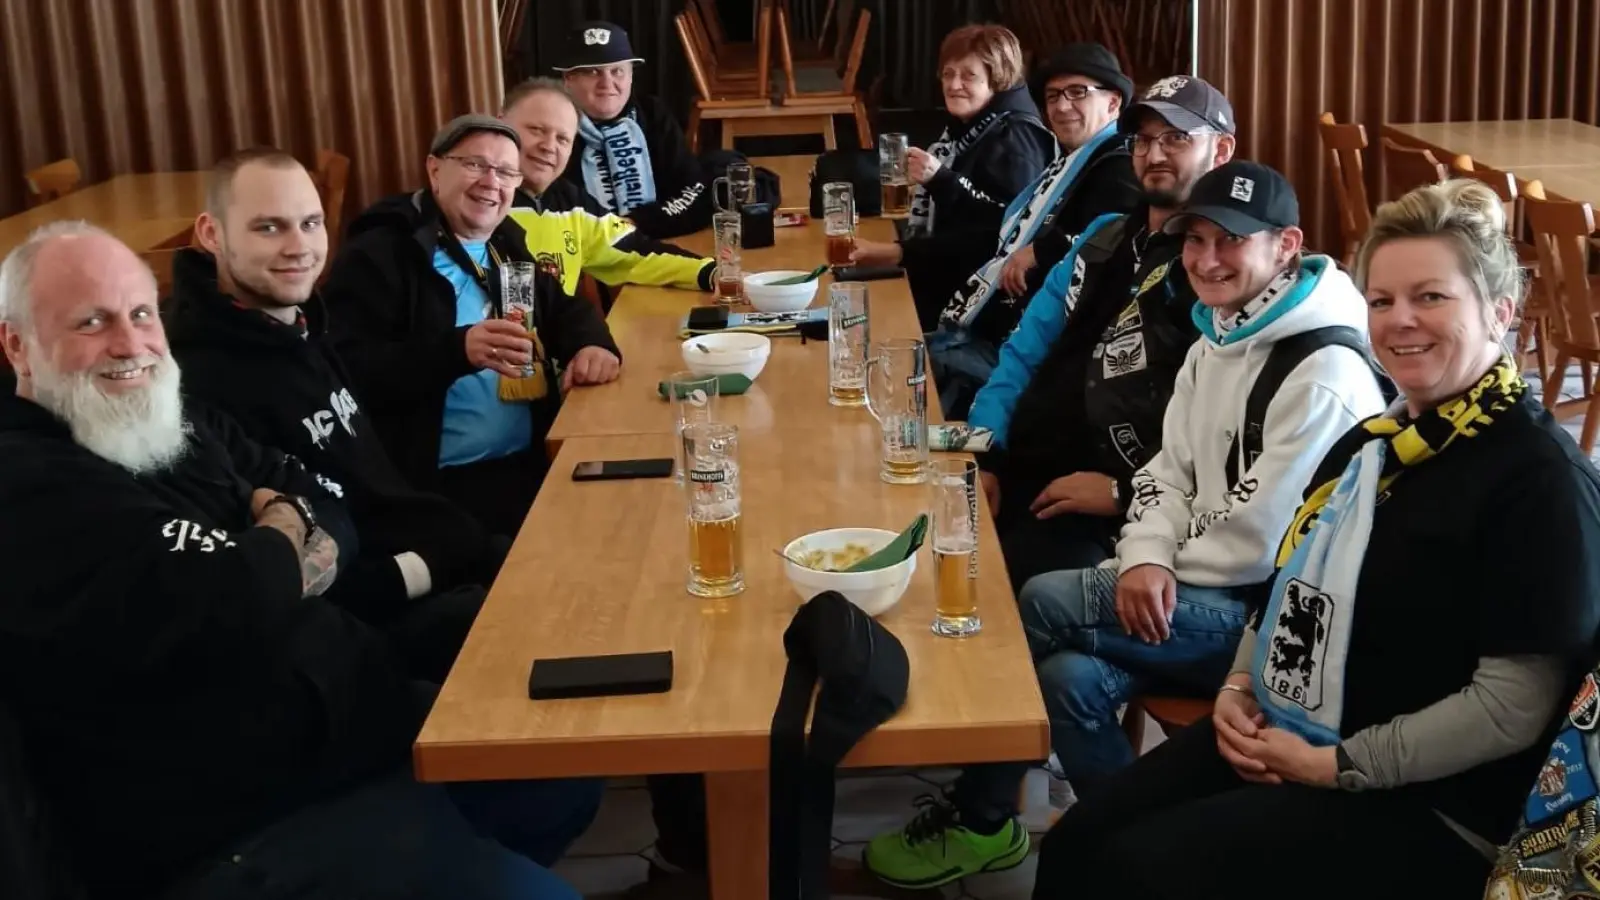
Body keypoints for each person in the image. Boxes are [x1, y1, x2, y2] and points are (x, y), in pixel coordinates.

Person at [1029, 179, 1600, 900]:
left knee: (1135, 874)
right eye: (1384, 301)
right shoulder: (1376, 443)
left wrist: (1336, 766)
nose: (1400, 322)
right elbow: (1281, 592)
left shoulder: (1540, 479)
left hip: (1427, 800)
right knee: (1078, 843)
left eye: (1431, 297)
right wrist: (1239, 686)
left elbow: (1510, 708)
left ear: (1500, 313)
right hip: (1293, 723)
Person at [0, 222, 602, 900]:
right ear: (17, 345)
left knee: (565, 765)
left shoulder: (174, 420)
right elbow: (240, 593)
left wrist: (278, 542)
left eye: (142, 313)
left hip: (354, 722)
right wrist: (281, 529)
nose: (130, 343)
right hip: (236, 821)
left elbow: (325, 506)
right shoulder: (31, 484)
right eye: (91, 322)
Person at [862, 157, 1387, 891]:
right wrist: (1143, 553)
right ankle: (1142, 861)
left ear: (1286, 245)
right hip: (1197, 588)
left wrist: (1152, 564)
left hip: (1274, 628)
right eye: (1195, 240)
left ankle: (979, 812)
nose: (1206, 260)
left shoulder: (1323, 372)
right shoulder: (1222, 333)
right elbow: (1164, 473)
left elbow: (1258, 543)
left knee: (1043, 598)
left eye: (1230, 242)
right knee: (1069, 679)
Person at [165, 148, 510, 681]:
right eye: (269, 228)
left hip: (436, 550)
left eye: (311, 223)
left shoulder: (303, 324)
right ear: (212, 234)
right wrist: (428, 565)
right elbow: (294, 584)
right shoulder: (199, 384)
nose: (299, 247)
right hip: (367, 631)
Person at [966, 75, 1237, 596]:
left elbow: (1222, 421)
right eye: (1143, 140)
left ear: (1221, 149)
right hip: (1022, 466)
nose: (1155, 153)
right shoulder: (1105, 234)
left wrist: (1125, 490)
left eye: (1177, 138)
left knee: (999, 600)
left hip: (1108, 503)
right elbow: (1025, 349)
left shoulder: (1216, 266)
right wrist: (985, 452)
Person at [323, 114, 622, 538]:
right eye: (475, 165)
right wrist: (456, 351)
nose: (491, 182)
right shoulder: (381, 254)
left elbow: (565, 308)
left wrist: (592, 346)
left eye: (505, 172)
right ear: (434, 169)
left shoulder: (504, 240)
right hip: (435, 489)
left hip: (528, 463)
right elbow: (346, 373)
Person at [928, 42, 1140, 419]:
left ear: (1113, 104)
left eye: (1078, 93)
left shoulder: (1118, 164)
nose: (1060, 106)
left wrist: (1043, 249)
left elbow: (1117, 232)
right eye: (1053, 96)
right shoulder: (1069, 162)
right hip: (993, 337)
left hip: (1028, 361)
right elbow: (996, 231)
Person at [850, 23, 1058, 331]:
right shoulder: (969, 128)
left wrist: (939, 183)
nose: (953, 84)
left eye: (968, 75)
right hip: (943, 274)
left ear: (997, 79)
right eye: (948, 74)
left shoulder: (1015, 139)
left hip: (979, 308)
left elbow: (1001, 234)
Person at [500, 77, 714, 309]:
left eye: (562, 139)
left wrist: (711, 273)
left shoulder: (572, 206)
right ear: (500, 123)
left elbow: (637, 252)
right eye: (537, 130)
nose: (549, 146)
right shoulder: (476, 205)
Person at [553, 21, 711, 238]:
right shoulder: (553, 128)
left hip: (659, 244)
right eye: (592, 72)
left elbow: (694, 194)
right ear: (568, 80)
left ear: (630, 76)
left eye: (617, 71)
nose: (607, 83)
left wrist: (636, 223)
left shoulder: (653, 115)